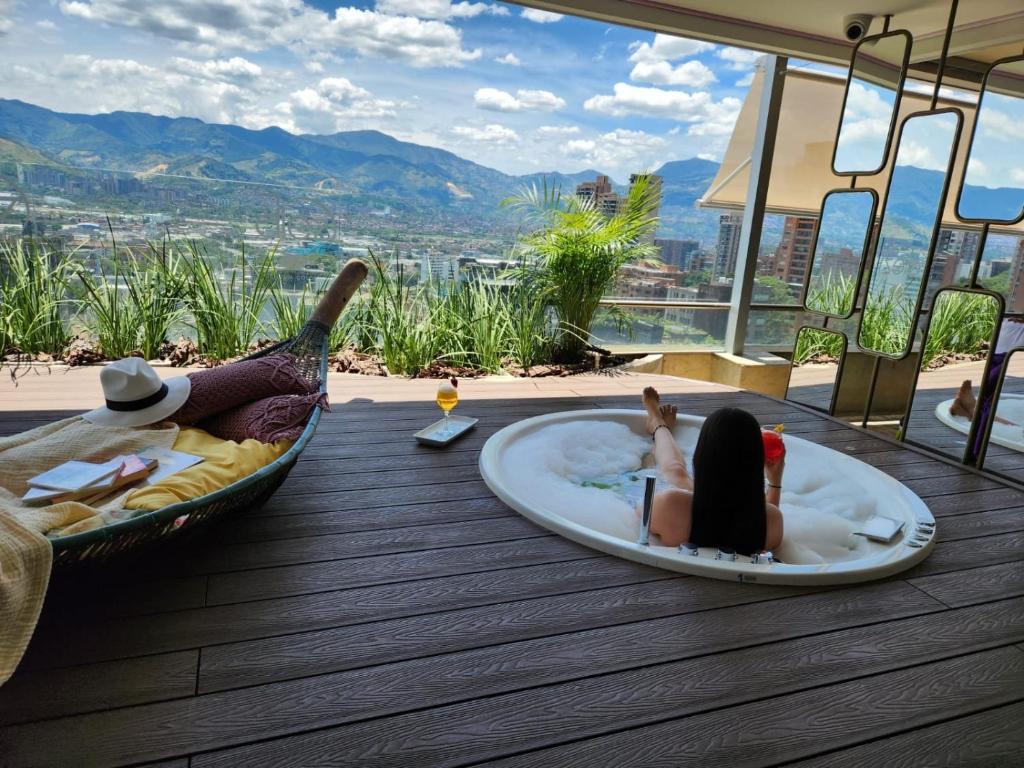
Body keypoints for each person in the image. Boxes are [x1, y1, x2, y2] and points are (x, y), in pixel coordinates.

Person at [641, 386, 784, 554]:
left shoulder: (668, 504)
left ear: (702, 455)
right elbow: (764, 518)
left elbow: (637, 513)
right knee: (678, 474)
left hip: (684, 508)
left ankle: (658, 425)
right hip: (724, 510)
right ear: (756, 461)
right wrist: (775, 482)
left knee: (671, 470)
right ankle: (658, 425)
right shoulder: (773, 522)